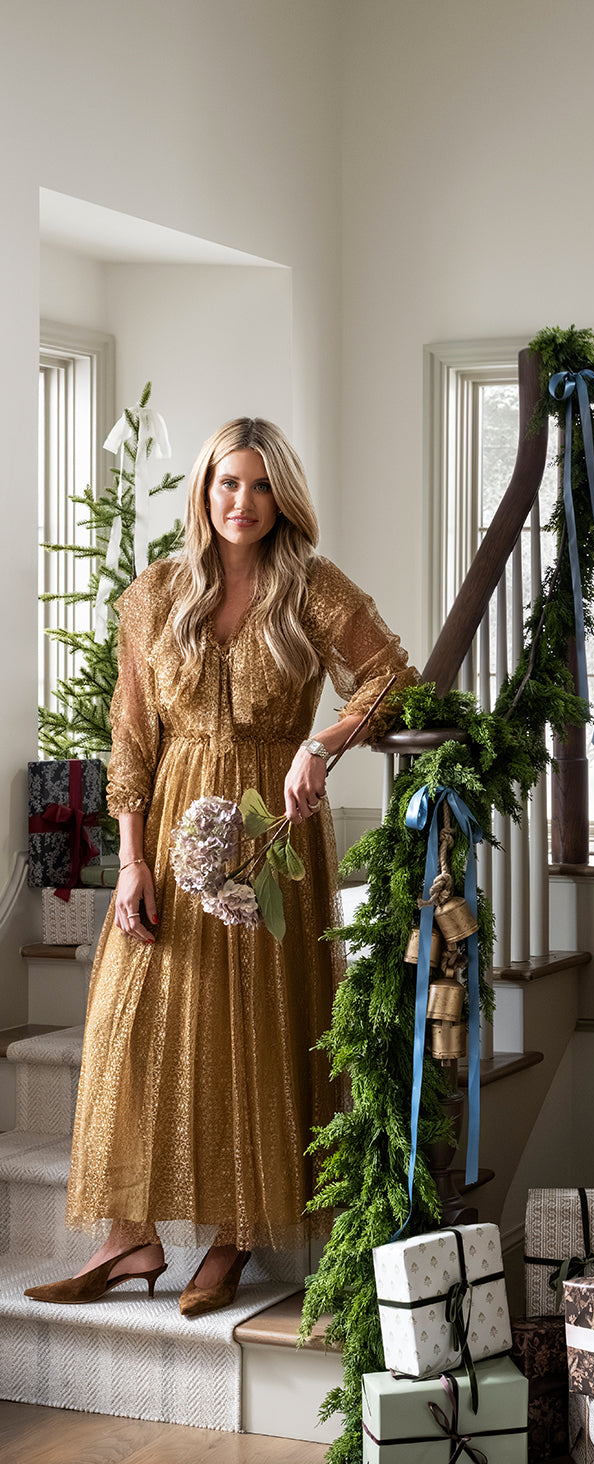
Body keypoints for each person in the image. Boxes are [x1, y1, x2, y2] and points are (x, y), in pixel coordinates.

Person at [26, 417, 418, 1317]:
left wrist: (320, 744)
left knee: (258, 1026)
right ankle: (129, 1240)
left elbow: (391, 678)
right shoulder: (157, 594)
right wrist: (131, 862)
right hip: (171, 827)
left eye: (259, 485)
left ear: (283, 497)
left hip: (272, 834)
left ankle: (234, 1239)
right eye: (226, 484)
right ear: (203, 493)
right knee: (144, 1025)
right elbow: (130, 738)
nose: (241, 503)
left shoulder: (313, 587)